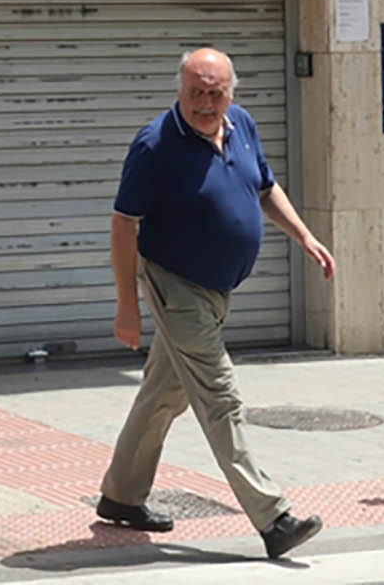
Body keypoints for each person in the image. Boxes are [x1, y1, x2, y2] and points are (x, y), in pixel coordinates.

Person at [95, 47, 336, 560]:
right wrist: (127, 305)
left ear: (232, 92)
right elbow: (123, 223)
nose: (206, 103)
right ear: (179, 91)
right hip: (173, 285)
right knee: (219, 396)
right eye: (195, 93)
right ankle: (273, 518)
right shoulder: (155, 145)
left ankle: (120, 495)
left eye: (216, 93)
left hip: (217, 290)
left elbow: (265, 187)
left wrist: (304, 236)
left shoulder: (242, 124)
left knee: (165, 393)